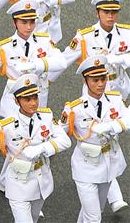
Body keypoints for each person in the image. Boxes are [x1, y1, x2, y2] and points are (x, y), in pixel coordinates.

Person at [0, 76, 71, 223]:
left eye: (35, 98)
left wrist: (40, 148)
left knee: (33, 217)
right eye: (27, 99)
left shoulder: (46, 117)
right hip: (18, 184)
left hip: (41, 181)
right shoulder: (6, 126)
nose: (33, 103)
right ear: (17, 101)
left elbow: (65, 141)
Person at [62, 57, 129, 223]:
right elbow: (58, 133)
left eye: (103, 79)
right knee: (93, 217)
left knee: (94, 211)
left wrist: (111, 126)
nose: (101, 84)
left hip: (109, 164)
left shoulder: (115, 99)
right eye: (95, 80)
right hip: (85, 167)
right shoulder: (74, 109)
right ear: (85, 81)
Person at [0, 3, 66, 118]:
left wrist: (34, 65)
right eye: (24, 22)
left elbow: (62, 63)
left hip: (37, 97)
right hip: (14, 99)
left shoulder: (44, 40)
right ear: (14, 23)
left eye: (32, 22)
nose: (29, 27)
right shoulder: (4, 47)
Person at [63, 0, 130, 98]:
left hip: (121, 89)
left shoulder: (126, 33)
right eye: (106, 12)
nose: (110, 16)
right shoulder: (85, 37)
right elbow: (63, 60)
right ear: (97, 13)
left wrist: (121, 58)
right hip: (94, 91)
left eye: (114, 12)